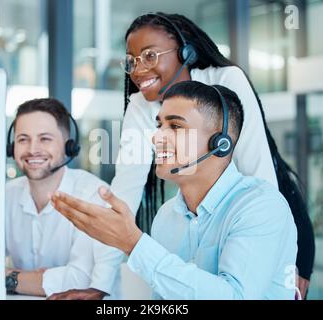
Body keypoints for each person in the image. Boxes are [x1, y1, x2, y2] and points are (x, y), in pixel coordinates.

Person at [110, 12, 314, 297]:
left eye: (150, 56)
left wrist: (279, 260)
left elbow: (259, 170)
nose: (138, 69)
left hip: (271, 205)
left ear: (186, 52)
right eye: (131, 61)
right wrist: (98, 283)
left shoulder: (226, 81)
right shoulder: (139, 106)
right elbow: (125, 190)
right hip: (211, 215)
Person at [51, 81, 298, 299]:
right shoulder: (168, 216)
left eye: (176, 127)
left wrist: (133, 243)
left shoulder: (261, 206)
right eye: (159, 125)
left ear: (220, 144)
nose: (157, 138)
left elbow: (235, 297)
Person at [5, 98, 123, 299]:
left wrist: (9, 277)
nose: (32, 149)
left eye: (45, 139)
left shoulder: (94, 195)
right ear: (12, 147)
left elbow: (80, 282)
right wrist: (35, 279)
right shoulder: (6, 195)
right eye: (23, 139)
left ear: (69, 146)